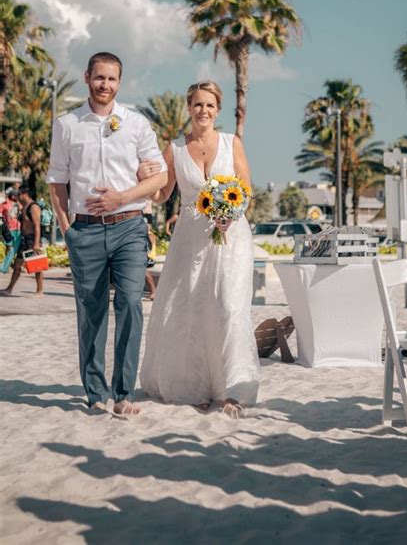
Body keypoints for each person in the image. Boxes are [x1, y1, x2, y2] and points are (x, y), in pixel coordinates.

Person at [46, 51, 168, 415]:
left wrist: (123, 197)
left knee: (130, 303)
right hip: (84, 231)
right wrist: (68, 229)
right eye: (99, 78)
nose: (105, 85)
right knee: (92, 313)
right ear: (87, 77)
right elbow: (57, 180)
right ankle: (96, 392)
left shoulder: (136, 123)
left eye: (112, 79)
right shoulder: (67, 124)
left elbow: (160, 178)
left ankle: (124, 393)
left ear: (120, 81)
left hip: (130, 226)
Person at [140, 80, 260, 418]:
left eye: (209, 105)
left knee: (229, 304)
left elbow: (246, 189)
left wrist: (232, 213)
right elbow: (163, 194)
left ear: (217, 110)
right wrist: (146, 180)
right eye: (197, 105)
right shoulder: (175, 149)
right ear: (189, 108)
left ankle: (234, 387)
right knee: (191, 306)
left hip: (231, 236)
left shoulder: (230, 142)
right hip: (190, 238)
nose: (203, 111)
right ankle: (197, 387)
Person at [0, 185, 44, 296]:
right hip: (24, 240)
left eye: (19, 194)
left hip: (31, 240)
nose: (17, 197)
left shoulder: (34, 207)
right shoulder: (24, 207)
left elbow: (37, 226)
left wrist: (36, 243)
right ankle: (9, 289)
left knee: (36, 266)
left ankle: (40, 291)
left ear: (25, 194)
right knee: (17, 266)